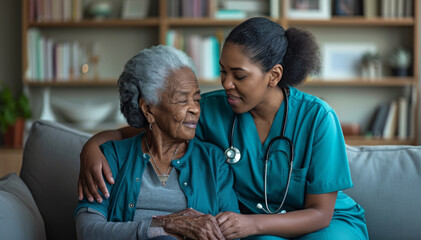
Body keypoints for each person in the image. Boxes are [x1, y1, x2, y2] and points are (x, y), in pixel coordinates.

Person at [78, 17, 368, 239]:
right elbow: (148, 127)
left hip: (323, 224)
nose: (226, 83)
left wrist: (252, 223)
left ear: (273, 75)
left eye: (239, 75)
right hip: (257, 228)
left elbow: (320, 213)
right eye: (223, 71)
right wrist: (91, 148)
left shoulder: (318, 118)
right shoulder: (213, 108)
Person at [74, 45, 239, 240]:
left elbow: (232, 235)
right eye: (183, 100)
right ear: (148, 110)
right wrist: (160, 226)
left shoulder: (213, 161)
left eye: (196, 99)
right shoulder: (112, 157)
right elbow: (87, 232)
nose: (195, 109)